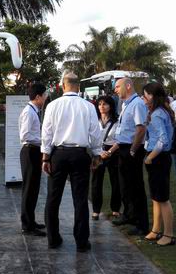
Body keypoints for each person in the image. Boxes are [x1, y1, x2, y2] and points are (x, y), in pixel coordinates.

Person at [41, 72, 102, 252]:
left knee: (53, 197)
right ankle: (82, 242)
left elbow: (47, 133)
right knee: (80, 199)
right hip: (79, 155)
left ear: (63, 85)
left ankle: (53, 238)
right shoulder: (88, 106)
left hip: (58, 154)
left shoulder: (52, 105)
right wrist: (97, 154)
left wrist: (45, 157)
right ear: (78, 86)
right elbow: (95, 133)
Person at [112, 77, 149, 236]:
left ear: (128, 86)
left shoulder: (137, 104)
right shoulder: (126, 104)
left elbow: (141, 129)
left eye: (118, 86)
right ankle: (129, 215)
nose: (115, 89)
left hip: (131, 150)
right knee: (125, 186)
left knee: (136, 187)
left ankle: (142, 224)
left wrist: (133, 150)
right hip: (123, 148)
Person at [142, 82, 176, 246]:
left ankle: (168, 235)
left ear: (152, 96)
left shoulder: (156, 114)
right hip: (159, 157)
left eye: (145, 95)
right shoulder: (162, 111)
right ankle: (156, 230)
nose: (143, 98)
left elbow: (163, 140)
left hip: (158, 158)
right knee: (156, 197)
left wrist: (150, 157)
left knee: (162, 198)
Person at [18, 83, 48, 236]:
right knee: (29, 189)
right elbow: (25, 136)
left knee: (34, 189)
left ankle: (31, 220)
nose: (46, 98)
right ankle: (27, 225)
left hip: (34, 151)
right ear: (38, 97)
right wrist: (44, 141)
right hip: (30, 151)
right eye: (44, 95)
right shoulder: (29, 112)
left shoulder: (33, 111)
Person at [91, 96, 122, 221]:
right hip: (97, 152)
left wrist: (109, 152)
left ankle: (115, 209)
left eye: (105, 104)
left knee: (116, 181)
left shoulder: (117, 120)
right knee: (96, 182)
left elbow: (120, 139)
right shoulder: (94, 120)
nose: (102, 107)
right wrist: (99, 152)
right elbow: (90, 137)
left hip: (113, 152)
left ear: (111, 106)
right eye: (99, 104)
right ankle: (96, 210)